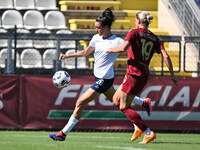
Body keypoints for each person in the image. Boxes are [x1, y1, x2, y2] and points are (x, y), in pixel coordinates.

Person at [48, 8, 152, 141]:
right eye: (95, 27)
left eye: (98, 28)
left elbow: (131, 49)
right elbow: (85, 52)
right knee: (117, 101)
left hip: (104, 79)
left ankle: (63, 133)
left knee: (80, 102)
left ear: (106, 27)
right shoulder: (96, 38)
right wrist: (67, 56)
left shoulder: (117, 41)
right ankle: (143, 103)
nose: (96, 30)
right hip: (99, 77)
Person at [106, 11, 178, 144]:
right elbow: (166, 56)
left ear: (138, 21)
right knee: (116, 99)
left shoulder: (133, 32)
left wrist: (111, 49)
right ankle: (141, 116)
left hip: (133, 74)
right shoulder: (155, 38)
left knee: (123, 106)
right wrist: (172, 75)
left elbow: (123, 48)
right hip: (143, 74)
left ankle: (148, 132)